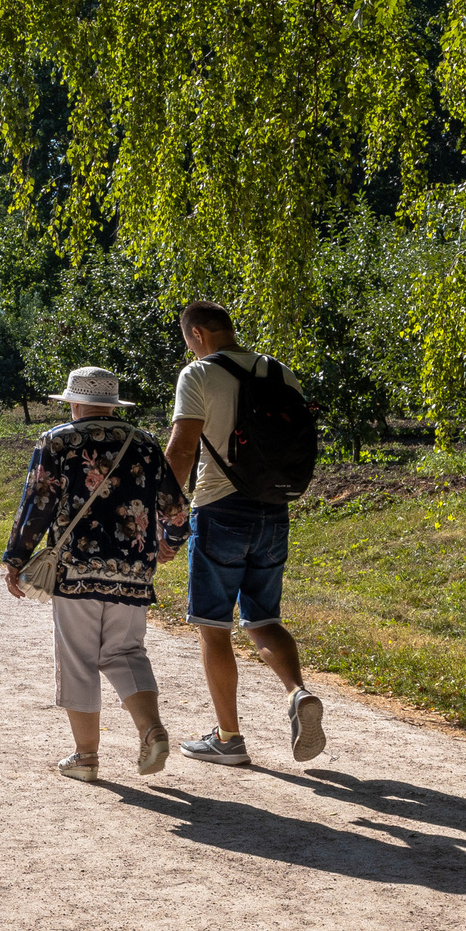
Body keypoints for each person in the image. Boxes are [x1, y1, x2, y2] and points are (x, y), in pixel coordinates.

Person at [2, 365, 189, 781]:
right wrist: (170, 544)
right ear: (111, 403)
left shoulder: (59, 441)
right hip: (135, 570)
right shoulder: (144, 443)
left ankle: (85, 757)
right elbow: (176, 507)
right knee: (126, 653)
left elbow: (38, 502)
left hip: (76, 570)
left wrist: (16, 557)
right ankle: (150, 728)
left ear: (74, 402)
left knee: (79, 659)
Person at [164, 300, 326, 766]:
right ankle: (297, 693)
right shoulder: (280, 372)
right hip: (274, 509)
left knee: (213, 627)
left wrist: (166, 512)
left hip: (219, 510)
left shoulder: (197, 375)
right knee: (263, 617)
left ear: (196, 335)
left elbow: (181, 451)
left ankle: (229, 739)